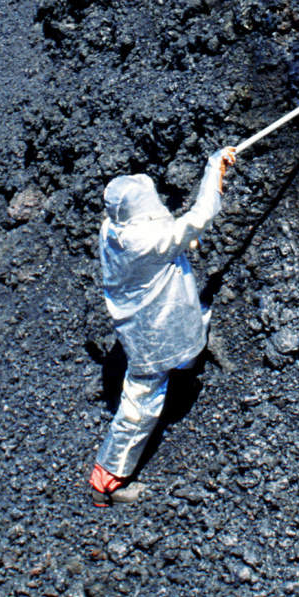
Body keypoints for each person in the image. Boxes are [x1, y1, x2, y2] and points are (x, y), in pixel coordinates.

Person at [89, 146, 237, 506]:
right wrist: (213, 167)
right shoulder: (150, 241)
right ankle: (106, 482)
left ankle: (185, 369)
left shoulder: (113, 228)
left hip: (146, 320)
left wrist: (179, 240)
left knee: (190, 328)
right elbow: (201, 216)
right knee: (139, 407)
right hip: (151, 341)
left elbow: (166, 232)